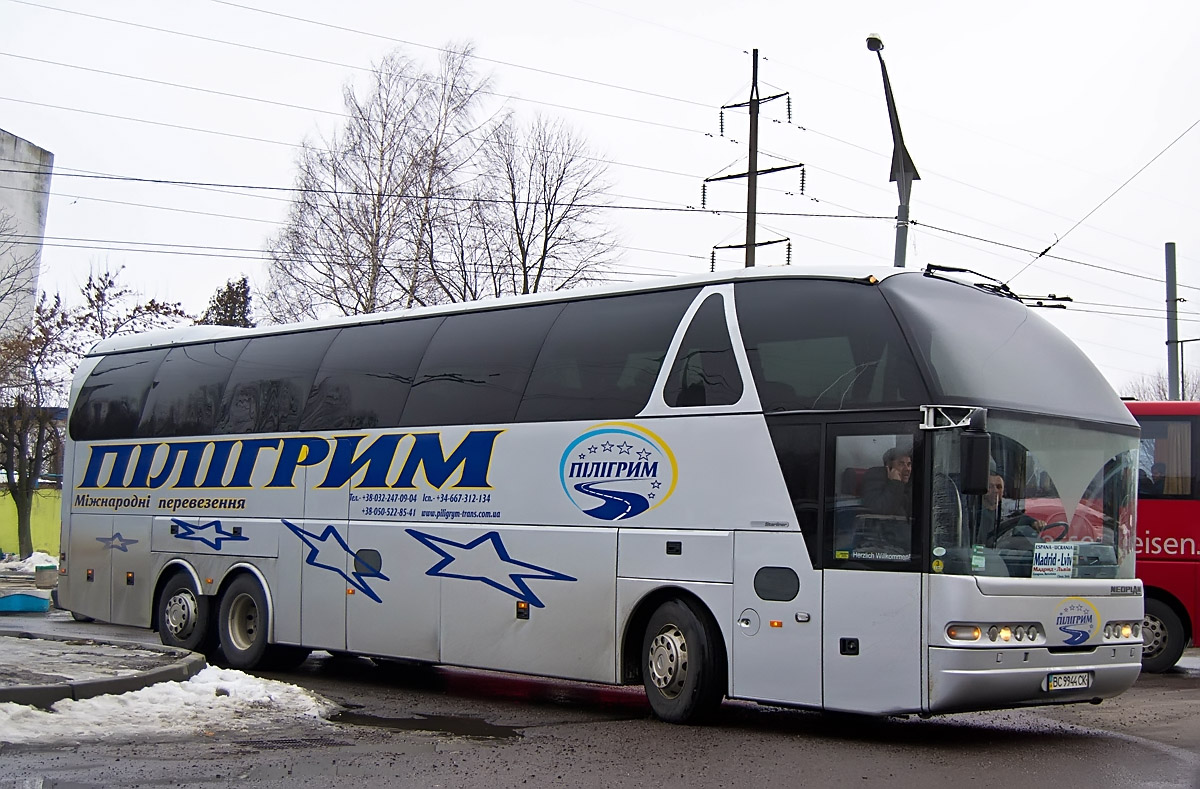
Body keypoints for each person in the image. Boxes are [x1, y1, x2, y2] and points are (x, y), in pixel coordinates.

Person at [862, 446, 913, 519]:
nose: (907, 469)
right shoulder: (875, 477)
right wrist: (895, 483)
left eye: (909, 464)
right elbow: (883, 510)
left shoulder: (908, 485)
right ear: (888, 467)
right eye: (901, 464)